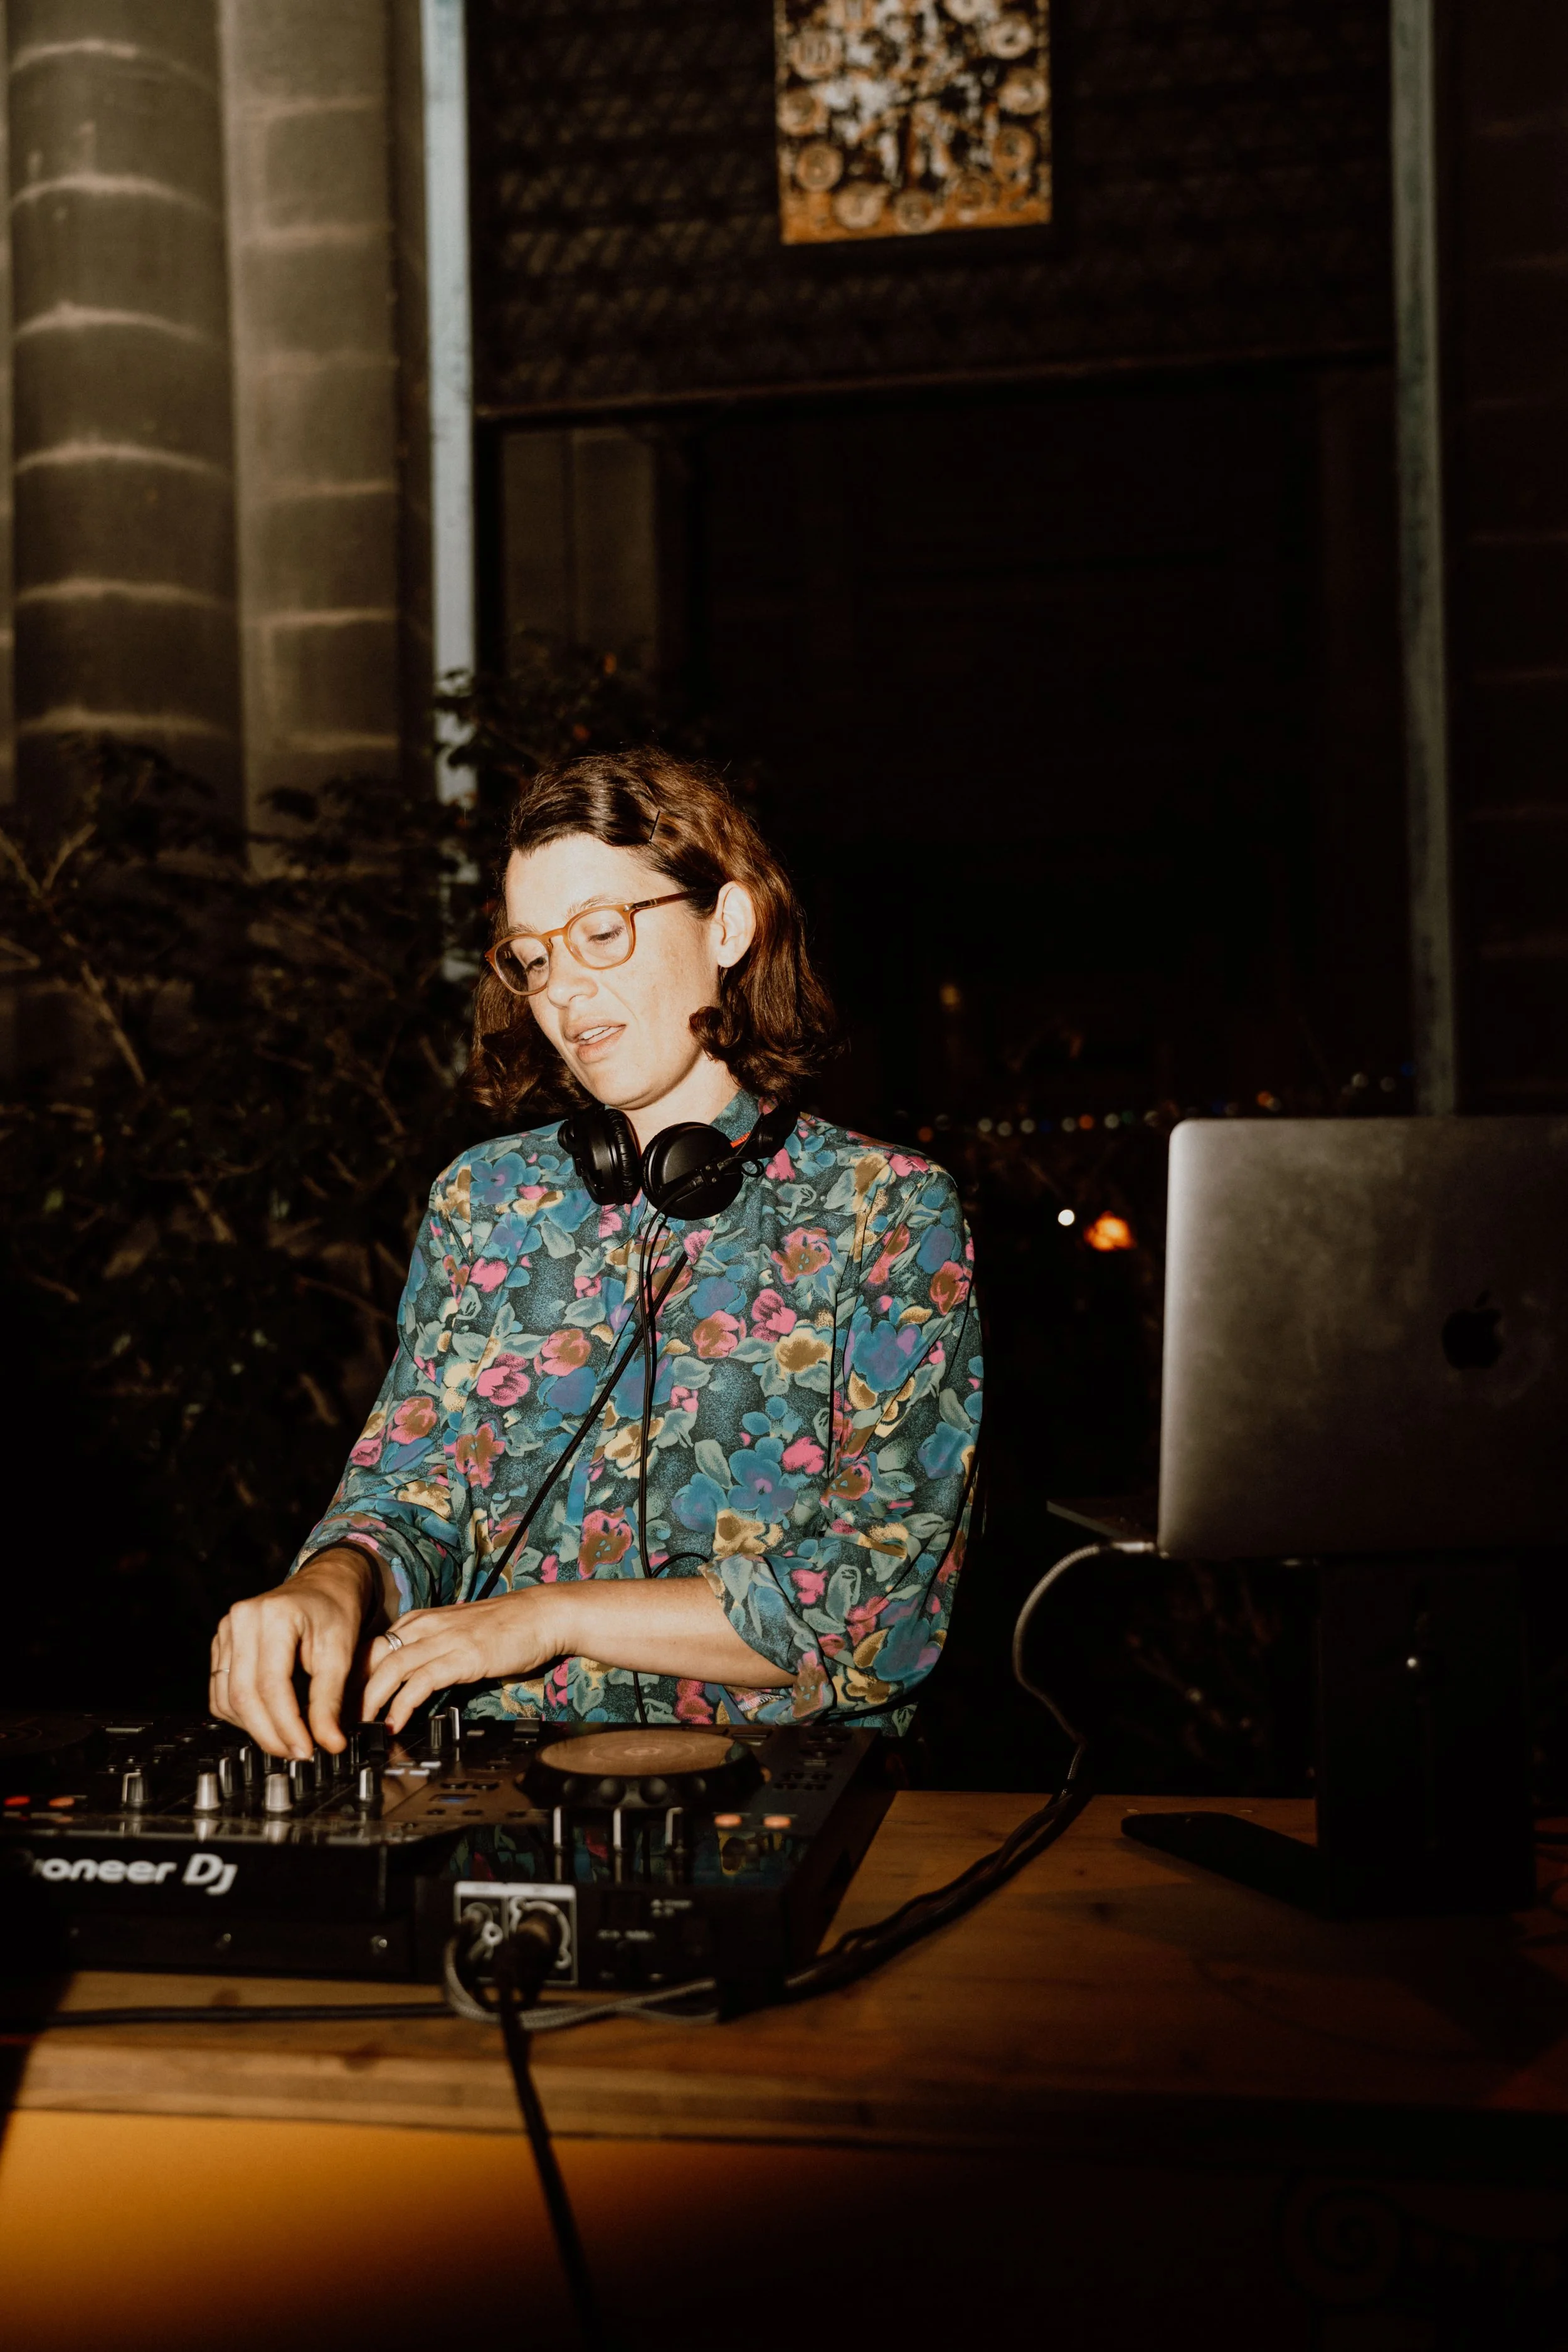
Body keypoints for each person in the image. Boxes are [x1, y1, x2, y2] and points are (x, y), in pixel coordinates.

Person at [209, 751, 982, 1759]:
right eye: (532, 957)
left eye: (602, 932)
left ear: (728, 924)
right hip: (497, 1777)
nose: (564, 989)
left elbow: (879, 1610)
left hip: (782, 1784)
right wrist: (333, 1581)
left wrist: (548, 1617)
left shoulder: (888, 1210)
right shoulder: (484, 1201)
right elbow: (410, 1491)